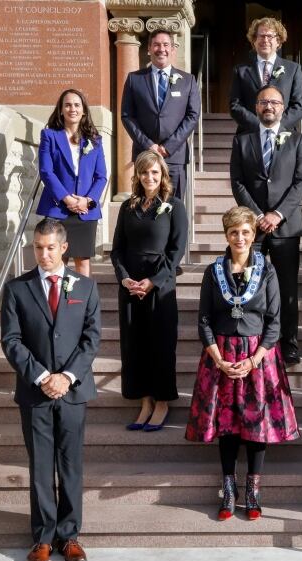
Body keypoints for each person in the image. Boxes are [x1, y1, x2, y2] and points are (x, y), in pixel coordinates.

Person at [185, 206, 299, 521]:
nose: (240, 238)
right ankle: (229, 489)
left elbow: (275, 322)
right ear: (226, 235)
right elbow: (204, 320)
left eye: (246, 232)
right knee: (228, 425)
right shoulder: (213, 271)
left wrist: (254, 359)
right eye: (234, 232)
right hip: (221, 355)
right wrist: (219, 360)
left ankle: (253, 490)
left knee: (256, 425)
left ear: (253, 235)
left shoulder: (268, 270)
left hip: (258, 357)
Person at [0, 218, 100, 561]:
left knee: (70, 464)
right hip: (35, 391)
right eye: (38, 247)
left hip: (72, 391)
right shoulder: (17, 288)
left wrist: (67, 377)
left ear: (64, 247)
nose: (43, 254)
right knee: (41, 465)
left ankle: (69, 535)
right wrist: (43, 376)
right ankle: (43, 537)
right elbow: (11, 341)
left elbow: (91, 339)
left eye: (50, 247)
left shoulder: (85, 287)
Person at [230, 85, 302, 365]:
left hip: (285, 227)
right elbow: (237, 181)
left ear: (283, 107)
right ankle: (255, 338)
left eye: (274, 102)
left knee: (287, 289)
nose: (269, 107)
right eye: (263, 101)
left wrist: (277, 214)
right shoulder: (242, 140)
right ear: (255, 107)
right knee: (251, 285)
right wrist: (256, 215)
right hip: (253, 230)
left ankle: (289, 343)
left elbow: (300, 182)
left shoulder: (297, 141)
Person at [111, 150, 187, 431]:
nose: (150, 177)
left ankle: (163, 401)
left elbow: (176, 250)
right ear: (138, 176)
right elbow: (117, 248)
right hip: (130, 287)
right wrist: (125, 279)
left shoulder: (174, 206)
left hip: (160, 286)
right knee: (135, 345)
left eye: (155, 172)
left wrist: (153, 281)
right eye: (144, 172)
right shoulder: (127, 206)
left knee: (161, 344)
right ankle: (144, 401)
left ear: (163, 174)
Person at [121, 29, 201, 199]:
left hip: (174, 156)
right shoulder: (134, 79)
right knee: (144, 205)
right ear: (149, 48)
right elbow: (127, 115)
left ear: (173, 49)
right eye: (156, 44)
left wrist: (167, 147)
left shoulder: (188, 80)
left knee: (173, 206)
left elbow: (193, 116)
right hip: (144, 155)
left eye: (166, 45)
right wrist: (148, 145)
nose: (161, 49)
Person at [37, 88, 108, 277]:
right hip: (57, 208)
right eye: (67, 105)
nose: (72, 109)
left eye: (77, 105)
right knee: (57, 262)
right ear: (61, 109)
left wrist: (88, 200)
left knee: (83, 263)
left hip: (86, 211)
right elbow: (46, 171)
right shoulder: (49, 136)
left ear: (84, 110)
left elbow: (101, 176)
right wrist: (67, 199)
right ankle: (57, 304)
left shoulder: (95, 140)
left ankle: (82, 305)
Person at [230, 17, 302, 133]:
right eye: (261, 36)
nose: (265, 40)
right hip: (250, 135)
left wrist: (276, 126)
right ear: (254, 41)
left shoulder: (293, 69)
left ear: (278, 41)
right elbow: (235, 105)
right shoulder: (241, 71)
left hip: (283, 135)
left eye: (270, 36)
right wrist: (259, 126)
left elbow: (298, 106)